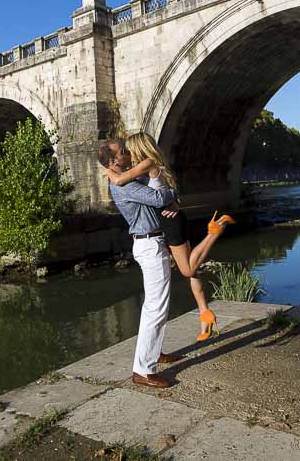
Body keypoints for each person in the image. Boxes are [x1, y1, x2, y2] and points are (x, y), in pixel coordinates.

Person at [102, 132, 234, 341]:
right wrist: (175, 199)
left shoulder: (148, 162)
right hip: (169, 219)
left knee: (187, 269)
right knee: (192, 272)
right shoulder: (149, 165)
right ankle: (204, 313)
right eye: (125, 152)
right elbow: (166, 189)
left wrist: (110, 171)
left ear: (139, 147)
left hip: (170, 223)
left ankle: (215, 230)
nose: (129, 154)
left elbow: (120, 180)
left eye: (130, 149)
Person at [98, 138, 183, 388]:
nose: (129, 153)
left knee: (157, 305)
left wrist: (171, 197)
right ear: (114, 160)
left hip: (152, 242)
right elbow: (158, 199)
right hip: (149, 244)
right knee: (155, 307)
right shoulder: (125, 186)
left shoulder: (127, 180)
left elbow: (158, 188)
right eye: (124, 152)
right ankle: (143, 371)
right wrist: (174, 194)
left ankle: (153, 354)